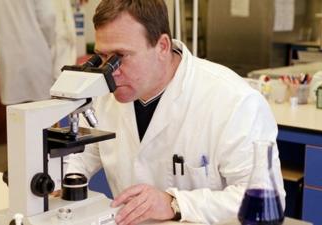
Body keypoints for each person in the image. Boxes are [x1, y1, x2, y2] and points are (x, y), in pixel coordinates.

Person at [66, 0, 286, 224]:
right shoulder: (103, 94)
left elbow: (264, 197)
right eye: (102, 57)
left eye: (119, 57)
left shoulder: (235, 101)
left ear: (162, 46)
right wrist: (55, 180)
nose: (111, 73)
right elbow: (75, 160)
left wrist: (176, 203)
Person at [0, 0, 78, 105]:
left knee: (16, 113)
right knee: (41, 112)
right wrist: (49, 42)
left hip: (8, 58)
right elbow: (47, 18)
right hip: (36, 55)